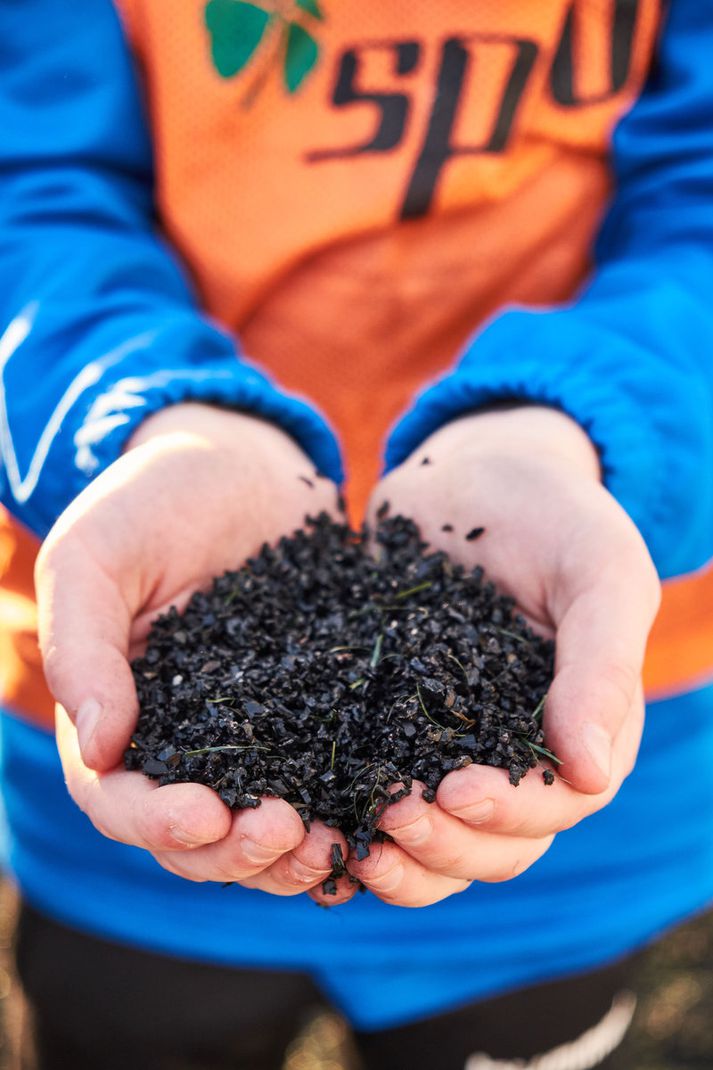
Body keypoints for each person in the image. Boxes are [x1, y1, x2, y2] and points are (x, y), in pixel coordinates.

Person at [1, 1, 712, 1067]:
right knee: (136, 1013)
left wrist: (575, 419)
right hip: (129, 667)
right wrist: (145, 413)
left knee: (518, 1023)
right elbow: (29, 178)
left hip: (600, 704)